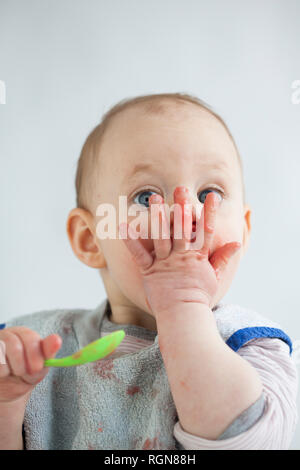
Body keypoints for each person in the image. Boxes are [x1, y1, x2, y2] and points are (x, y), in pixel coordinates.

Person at [0, 93, 298, 450]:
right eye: (146, 198)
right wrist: (8, 403)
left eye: (209, 194)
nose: (184, 214)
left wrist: (182, 304)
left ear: (243, 231)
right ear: (91, 239)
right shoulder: (37, 348)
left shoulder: (250, 344)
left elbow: (250, 441)